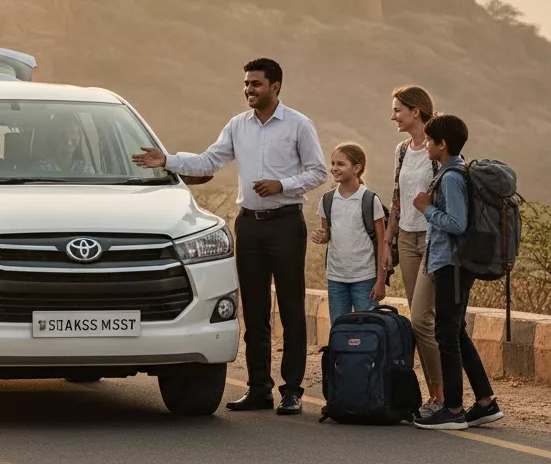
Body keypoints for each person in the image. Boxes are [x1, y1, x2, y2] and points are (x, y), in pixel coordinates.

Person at [131, 58, 328, 415]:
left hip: (286, 224)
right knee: (253, 309)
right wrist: (168, 160)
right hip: (249, 225)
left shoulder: (299, 125)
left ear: (275, 87)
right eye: (247, 83)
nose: (249, 89)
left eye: (256, 83)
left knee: (291, 307)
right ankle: (259, 388)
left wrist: (282, 185)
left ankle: (292, 391)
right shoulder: (238, 125)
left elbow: (318, 172)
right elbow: (209, 162)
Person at [411, 114, 504, 430]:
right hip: (454, 264)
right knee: (456, 331)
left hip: (451, 265)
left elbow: (457, 223)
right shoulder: (455, 172)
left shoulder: (451, 177)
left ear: (442, 144)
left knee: (446, 335)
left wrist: (426, 208)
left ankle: (452, 409)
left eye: (429, 140)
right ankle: (485, 402)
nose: (426, 145)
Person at [383, 86, 445, 418]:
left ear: (415, 112)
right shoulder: (402, 150)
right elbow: (396, 198)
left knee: (422, 319)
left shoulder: (439, 145)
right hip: (406, 239)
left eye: (398, 110)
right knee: (420, 320)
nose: (393, 116)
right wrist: (387, 244)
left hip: (433, 239)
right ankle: (435, 394)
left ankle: (441, 396)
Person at [311, 143, 386, 324]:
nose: (334, 168)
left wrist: (380, 282)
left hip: (365, 278)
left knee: (368, 329)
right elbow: (327, 235)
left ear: (357, 168)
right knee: (339, 328)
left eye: (341, 164)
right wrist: (322, 237)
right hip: (336, 278)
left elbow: (383, 243)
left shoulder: (370, 200)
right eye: (333, 163)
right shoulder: (327, 199)